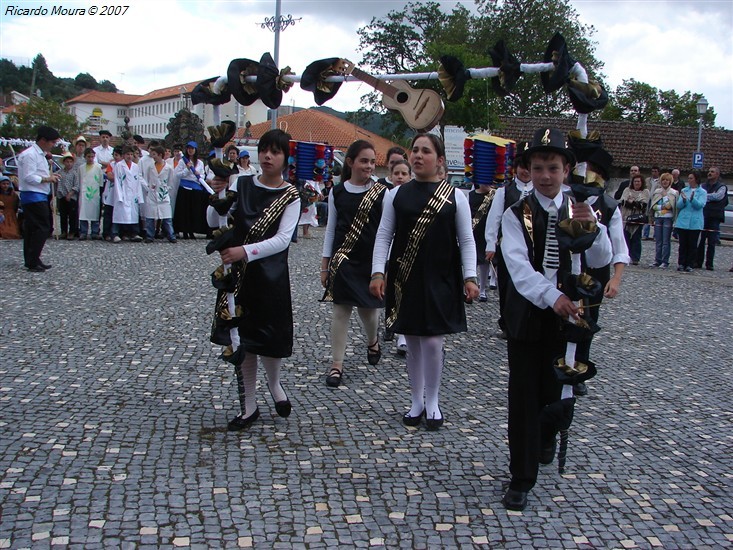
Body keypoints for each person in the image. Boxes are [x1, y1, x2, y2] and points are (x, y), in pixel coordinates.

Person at [498, 128, 612, 511]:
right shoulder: (515, 214)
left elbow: (599, 262)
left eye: (553, 168)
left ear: (567, 170)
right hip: (529, 316)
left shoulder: (583, 208)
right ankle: (521, 476)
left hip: (570, 319)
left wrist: (592, 231)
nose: (546, 175)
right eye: (539, 167)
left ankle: (548, 431)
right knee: (525, 397)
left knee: (560, 390)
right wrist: (552, 296)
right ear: (528, 170)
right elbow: (517, 266)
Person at [370, 133, 478, 430]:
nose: (417, 155)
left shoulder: (456, 196)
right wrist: (378, 272)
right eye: (414, 150)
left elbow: (466, 240)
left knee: (432, 341)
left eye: (425, 151)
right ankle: (416, 400)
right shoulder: (395, 195)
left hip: (442, 276)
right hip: (406, 278)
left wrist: (471, 276)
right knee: (415, 341)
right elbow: (384, 235)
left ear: (439, 160)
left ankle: (433, 401)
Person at [207, 129, 301, 431]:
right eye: (264, 150)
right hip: (240, 278)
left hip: (271, 277)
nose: (268, 156)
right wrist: (218, 194)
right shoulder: (241, 184)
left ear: (285, 157)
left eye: (275, 151)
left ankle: (275, 385)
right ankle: (248, 406)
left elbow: (283, 240)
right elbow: (214, 221)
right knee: (243, 339)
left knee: (269, 338)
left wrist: (243, 251)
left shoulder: (291, 195)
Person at [320, 140, 388, 388]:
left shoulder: (383, 193)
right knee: (340, 311)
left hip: (370, 260)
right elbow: (330, 230)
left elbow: (388, 231)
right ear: (350, 162)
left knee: (368, 311)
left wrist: (383, 268)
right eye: (364, 161)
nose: (369, 166)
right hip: (343, 260)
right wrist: (325, 264)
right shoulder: (337, 192)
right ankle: (336, 365)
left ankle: (373, 340)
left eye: (372, 161)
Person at [485, 146, 533, 339]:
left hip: (532, 248)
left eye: (529, 167)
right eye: (522, 167)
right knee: (506, 285)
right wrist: (490, 244)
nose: (525, 171)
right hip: (508, 248)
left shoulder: (538, 191)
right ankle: (506, 322)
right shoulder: (504, 192)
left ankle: (528, 321)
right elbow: (494, 218)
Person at [17, 126, 61, 271]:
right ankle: (33, 259)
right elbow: (29, 176)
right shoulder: (30, 155)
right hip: (32, 194)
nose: (53, 145)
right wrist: (47, 179)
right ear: (43, 140)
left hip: (38, 194)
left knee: (32, 228)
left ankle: (32, 259)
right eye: (52, 142)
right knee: (42, 227)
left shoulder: (41, 154)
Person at [387, 159, 411, 356]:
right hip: (393, 252)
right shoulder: (389, 196)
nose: (400, 177)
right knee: (395, 293)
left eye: (404, 173)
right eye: (397, 173)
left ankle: (404, 333)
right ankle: (394, 326)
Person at [173, 141, 209, 239]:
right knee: (184, 211)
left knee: (194, 211)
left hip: (195, 188)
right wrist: (187, 169)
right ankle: (184, 231)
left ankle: (192, 230)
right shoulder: (182, 161)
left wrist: (198, 174)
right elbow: (178, 174)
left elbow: (202, 175)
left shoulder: (200, 163)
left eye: (192, 149)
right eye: (189, 148)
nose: (190, 150)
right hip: (185, 187)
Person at [111, 145, 145, 243]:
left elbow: (138, 181)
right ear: (123, 155)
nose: (129, 156)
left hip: (133, 194)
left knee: (133, 215)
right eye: (127, 154)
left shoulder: (136, 167)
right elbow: (117, 181)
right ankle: (115, 233)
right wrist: (119, 195)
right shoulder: (119, 166)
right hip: (123, 192)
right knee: (119, 214)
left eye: (131, 154)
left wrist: (139, 196)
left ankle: (134, 233)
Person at [142, 145, 176, 243]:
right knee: (150, 217)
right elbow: (147, 178)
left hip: (163, 194)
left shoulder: (168, 168)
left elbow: (171, 181)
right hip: (152, 194)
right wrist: (149, 187)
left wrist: (166, 188)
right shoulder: (150, 167)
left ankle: (171, 235)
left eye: (154, 154)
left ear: (160, 155)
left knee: (167, 217)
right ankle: (149, 235)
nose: (153, 157)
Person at [696, 166, 728, 270]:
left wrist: (705, 196)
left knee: (711, 242)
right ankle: (698, 262)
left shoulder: (722, 186)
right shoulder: (703, 185)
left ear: (717, 174)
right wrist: (709, 196)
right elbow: (698, 195)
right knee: (700, 241)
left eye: (712, 172)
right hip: (703, 215)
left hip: (714, 217)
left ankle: (709, 264)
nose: (709, 173)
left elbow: (718, 197)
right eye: (709, 171)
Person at [469, 180, 495, 302]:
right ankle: (470, 285)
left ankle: (483, 289)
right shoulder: (471, 195)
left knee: (485, 261)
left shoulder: (494, 195)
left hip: (486, 232)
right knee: (472, 260)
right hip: (474, 232)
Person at [675, 171, 707, 272]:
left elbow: (700, 205)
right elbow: (678, 205)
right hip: (683, 221)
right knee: (683, 244)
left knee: (692, 245)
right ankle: (681, 263)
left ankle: (690, 264)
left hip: (695, 222)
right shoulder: (684, 190)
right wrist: (684, 200)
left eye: (691, 178)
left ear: (696, 179)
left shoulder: (702, 192)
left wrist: (693, 199)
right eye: (688, 178)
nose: (689, 180)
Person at [649, 172, 677, 268]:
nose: (665, 182)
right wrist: (662, 207)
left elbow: (670, 206)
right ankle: (657, 259)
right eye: (663, 180)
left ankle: (665, 261)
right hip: (658, 217)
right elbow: (654, 206)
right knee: (658, 240)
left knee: (666, 240)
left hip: (668, 218)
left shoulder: (673, 193)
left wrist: (665, 197)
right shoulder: (657, 192)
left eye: (667, 180)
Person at [619, 174, 649, 265]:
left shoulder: (645, 192)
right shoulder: (627, 190)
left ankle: (635, 258)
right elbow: (623, 202)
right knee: (626, 237)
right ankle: (625, 256)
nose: (637, 183)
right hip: (626, 217)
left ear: (642, 182)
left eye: (638, 181)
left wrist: (633, 203)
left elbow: (643, 205)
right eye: (635, 181)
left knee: (636, 238)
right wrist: (634, 204)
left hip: (637, 218)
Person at [77, 148, 103, 240]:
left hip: (94, 192)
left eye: (92, 157)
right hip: (84, 193)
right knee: (83, 212)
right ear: (85, 157)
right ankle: (83, 231)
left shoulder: (98, 167)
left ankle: (95, 232)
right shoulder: (81, 168)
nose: (91, 158)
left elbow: (100, 181)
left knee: (95, 212)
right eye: (88, 156)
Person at [56, 152, 79, 240]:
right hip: (62, 196)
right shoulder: (59, 172)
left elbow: (77, 185)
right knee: (63, 215)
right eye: (67, 162)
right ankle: (63, 231)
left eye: (70, 162)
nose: (69, 163)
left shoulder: (74, 173)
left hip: (71, 197)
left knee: (72, 216)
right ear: (64, 162)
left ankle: (72, 232)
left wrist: (70, 193)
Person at [642, 165, 660, 240]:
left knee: (656, 217)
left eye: (655, 171)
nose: (654, 173)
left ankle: (656, 235)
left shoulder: (660, 181)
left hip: (656, 200)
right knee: (647, 217)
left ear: (658, 172)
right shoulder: (647, 180)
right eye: (652, 171)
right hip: (647, 199)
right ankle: (645, 234)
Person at [0, 175, 21, 239]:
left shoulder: (13, 194)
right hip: (1, 214)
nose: (6, 186)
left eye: (7, 184)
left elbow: (16, 205)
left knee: (12, 232)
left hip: (11, 215)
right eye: (3, 184)